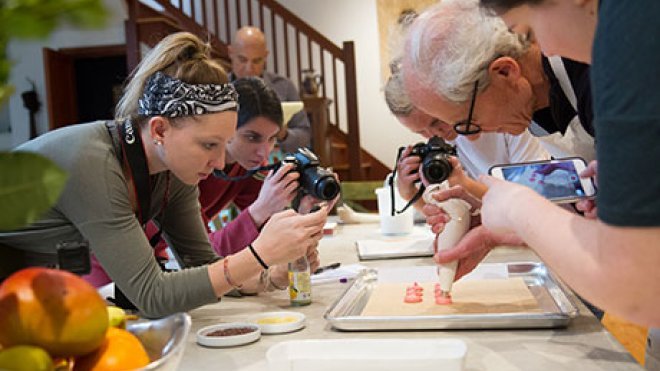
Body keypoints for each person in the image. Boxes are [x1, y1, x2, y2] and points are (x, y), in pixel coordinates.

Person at [0, 32, 330, 318]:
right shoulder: (94, 165)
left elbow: (203, 267)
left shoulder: (173, 172)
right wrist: (260, 254)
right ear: (159, 129)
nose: (218, 163)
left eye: (223, 145)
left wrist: (269, 275)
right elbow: (153, 296)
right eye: (208, 145)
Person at [419, 0, 660, 366]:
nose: (544, 50)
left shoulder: (626, 40)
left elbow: (637, 285)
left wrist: (518, 210)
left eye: (525, 31)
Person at [401, 0, 595, 163]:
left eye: (468, 124)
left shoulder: (590, 76)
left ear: (504, 72)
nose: (473, 137)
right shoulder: (527, 105)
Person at [384, 70, 549, 206]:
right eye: (421, 132)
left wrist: (465, 185)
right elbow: (448, 216)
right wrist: (409, 193)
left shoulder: (504, 120)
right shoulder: (442, 146)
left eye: (436, 121)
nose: (434, 134)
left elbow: (533, 200)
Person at [228, 26, 311, 153]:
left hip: (273, 163)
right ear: (231, 53)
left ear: (266, 56)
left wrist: (283, 134)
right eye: (242, 60)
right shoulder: (218, 87)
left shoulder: (284, 86)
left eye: (256, 61)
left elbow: (305, 136)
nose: (249, 68)